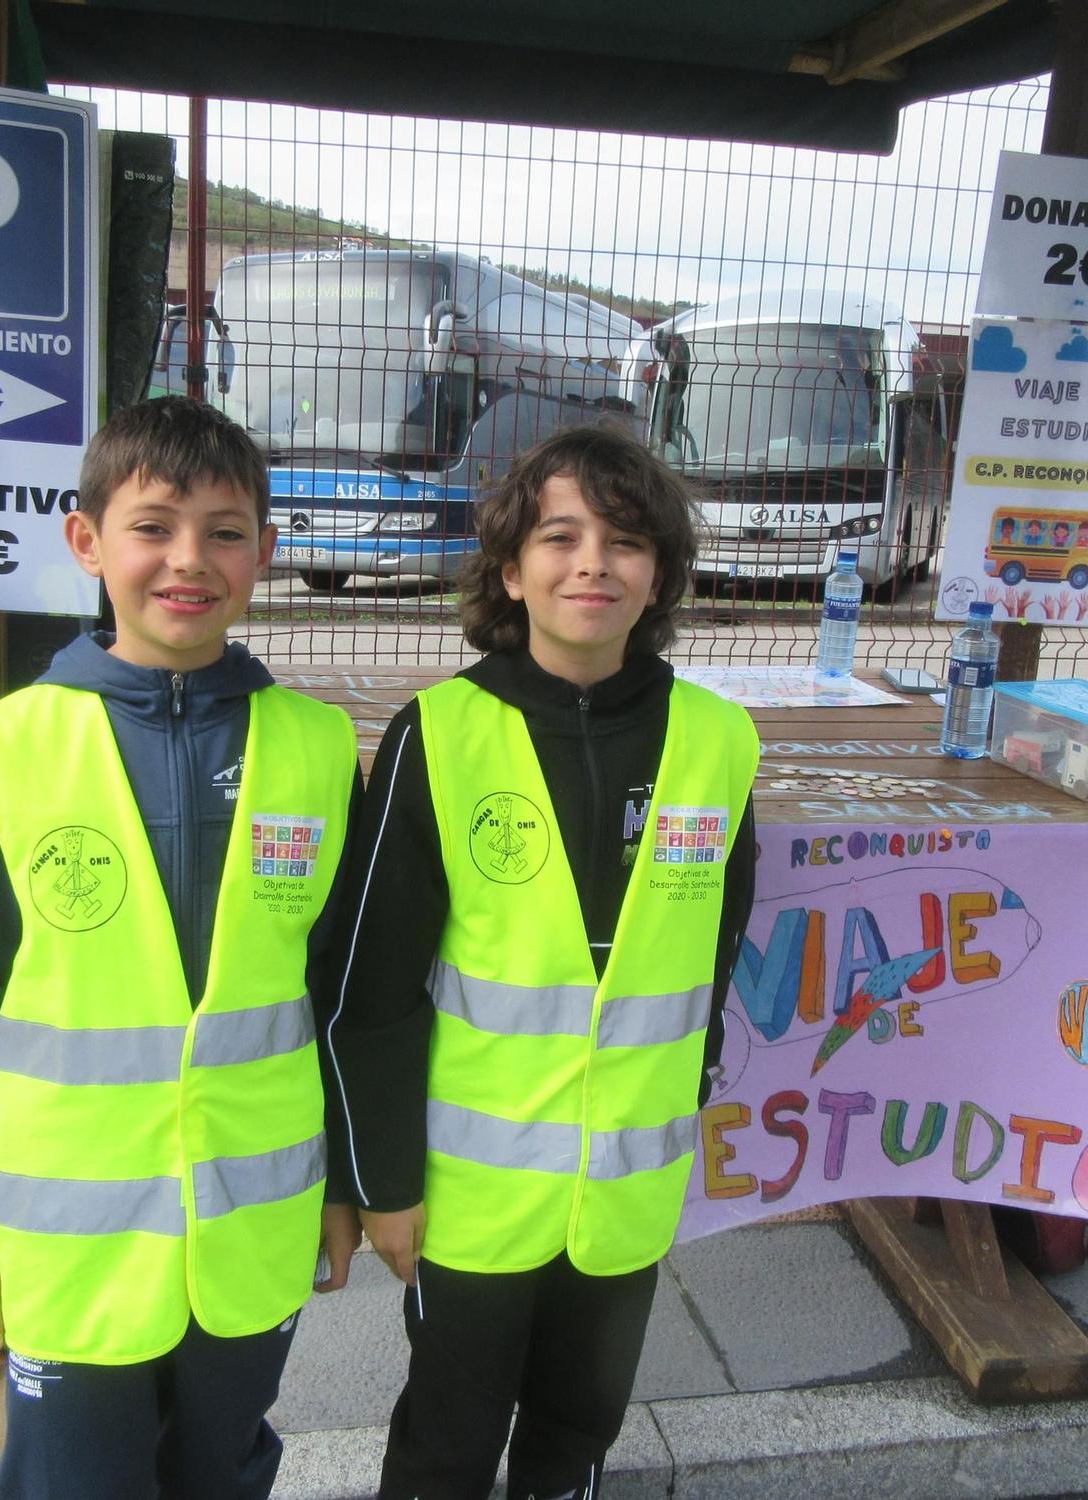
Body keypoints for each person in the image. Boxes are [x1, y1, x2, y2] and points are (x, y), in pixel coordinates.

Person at [0, 395, 364, 1500]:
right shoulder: (11, 746)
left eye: (224, 530)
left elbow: (339, 996)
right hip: (69, 1247)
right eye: (153, 525)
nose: (187, 560)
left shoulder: (315, 746)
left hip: (250, 1230)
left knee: (221, 1472)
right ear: (85, 540)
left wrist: (342, 1182)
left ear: (267, 550)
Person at [321, 424, 760, 1500]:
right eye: (559, 538)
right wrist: (378, 1185)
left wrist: (683, 1091)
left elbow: (714, 955)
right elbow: (365, 990)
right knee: (449, 1441)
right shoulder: (443, 734)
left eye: (624, 540)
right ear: (510, 571)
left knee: (576, 1429)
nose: (591, 564)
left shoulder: (716, 739)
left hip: (623, 1192)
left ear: (658, 573)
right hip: (472, 1199)